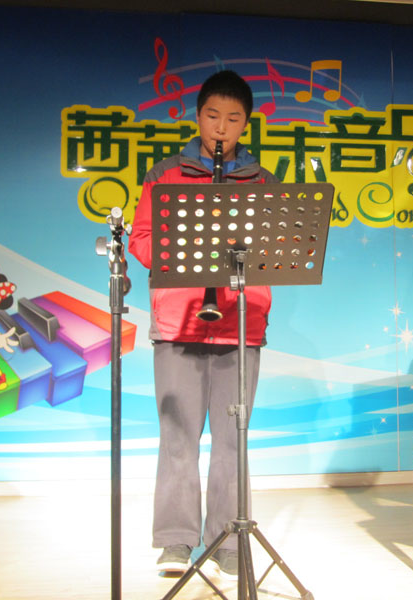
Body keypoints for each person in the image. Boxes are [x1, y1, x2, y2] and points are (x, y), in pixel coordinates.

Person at [128, 70, 279, 579]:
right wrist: (187, 256)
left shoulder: (261, 182)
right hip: (180, 320)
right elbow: (142, 238)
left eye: (233, 119)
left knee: (233, 439)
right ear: (198, 117)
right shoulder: (166, 174)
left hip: (241, 322)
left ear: (245, 125)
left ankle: (228, 539)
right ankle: (175, 540)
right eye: (212, 116)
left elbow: (278, 249)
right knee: (178, 436)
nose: (221, 127)